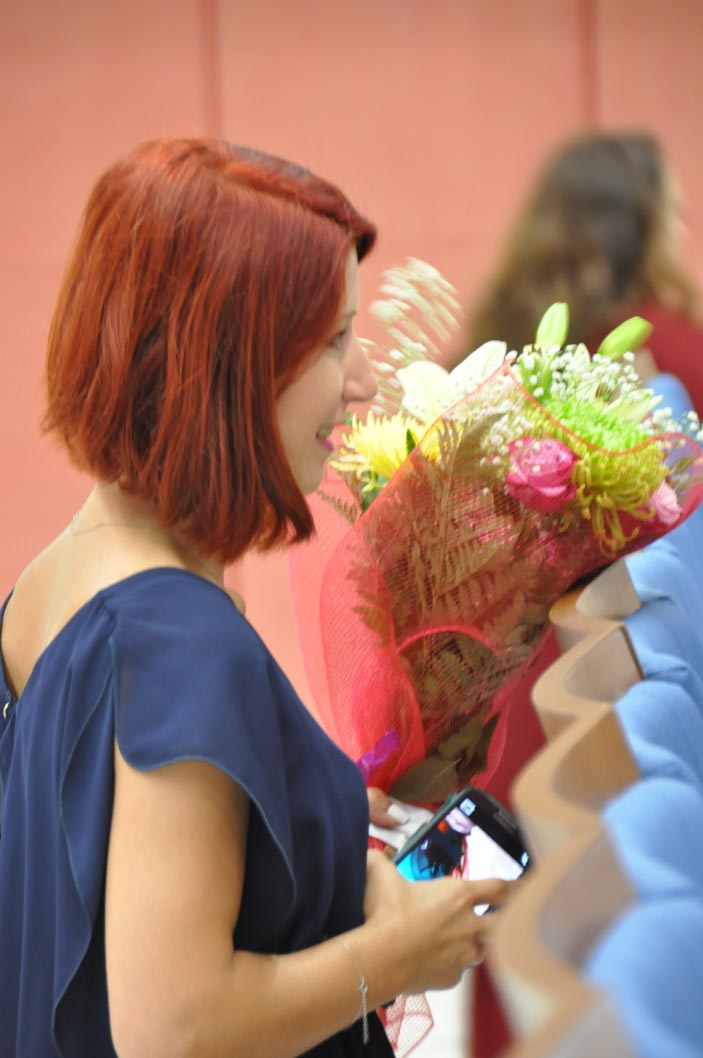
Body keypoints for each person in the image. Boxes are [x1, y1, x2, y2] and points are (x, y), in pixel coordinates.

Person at [0, 137, 511, 1058]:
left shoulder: (51, 583)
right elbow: (177, 1027)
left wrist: (316, 821)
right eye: (331, 343)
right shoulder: (176, 635)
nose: (359, 382)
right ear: (228, 366)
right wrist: (397, 954)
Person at [466, 130, 703, 413]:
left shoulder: (497, 348)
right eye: (674, 214)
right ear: (640, 230)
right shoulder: (665, 340)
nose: (681, 231)